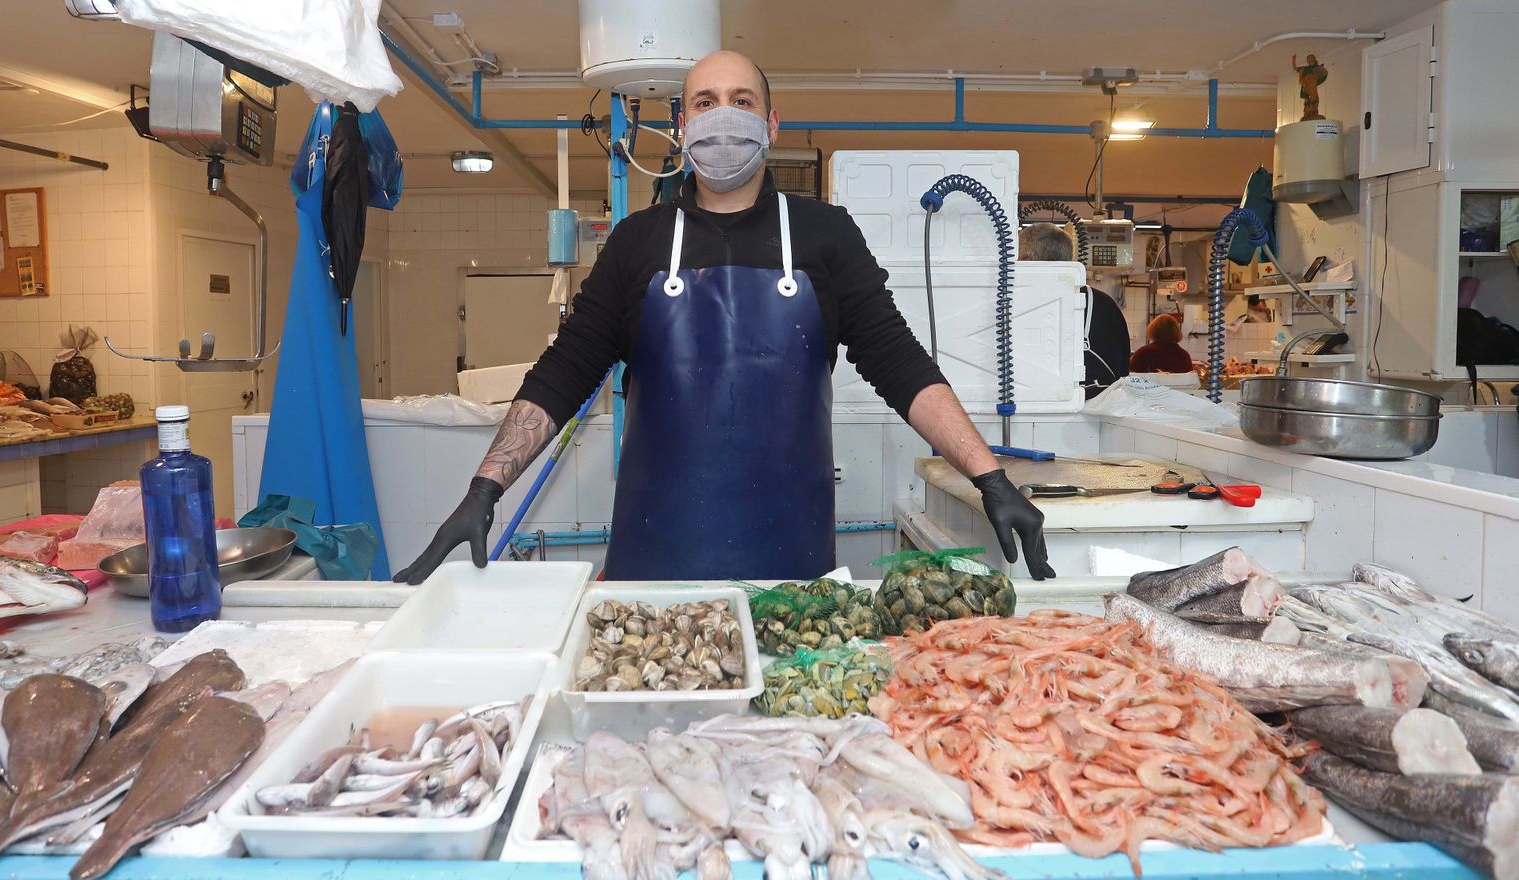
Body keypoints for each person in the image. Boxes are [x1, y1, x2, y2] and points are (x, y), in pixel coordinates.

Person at [394, 50, 1055, 584]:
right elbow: (563, 373)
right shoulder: (637, 242)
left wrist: (988, 476)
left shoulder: (825, 234)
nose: (723, 117)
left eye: (742, 102)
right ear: (683, 126)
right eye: (705, 103)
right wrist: (485, 487)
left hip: (793, 574)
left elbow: (899, 362)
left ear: (772, 124)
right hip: (654, 571)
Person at [1018, 223, 1128, 397]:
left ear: (1027, 260)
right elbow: (1123, 371)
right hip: (1103, 412)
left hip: (1042, 410)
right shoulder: (1106, 304)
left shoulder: (1022, 303)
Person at [1129, 314, 1194, 374]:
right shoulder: (1184, 355)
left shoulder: (1143, 353)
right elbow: (1190, 380)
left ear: (1153, 330)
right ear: (1177, 331)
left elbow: (1129, 376)